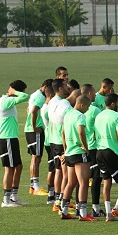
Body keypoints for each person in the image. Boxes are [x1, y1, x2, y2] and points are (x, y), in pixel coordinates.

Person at [94, 93, 118, 221]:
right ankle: (117, 207)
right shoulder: (116, 116)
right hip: (113, 152)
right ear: (113, 103)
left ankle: (108, 213)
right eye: (117, 103)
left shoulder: (98, 116)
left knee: (107, 181)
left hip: (99, 152)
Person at [0, 80, 29, 208]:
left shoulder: (6, 101)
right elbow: (26, 97)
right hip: (6, 138)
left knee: (18, 166)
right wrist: (14, 91)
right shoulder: (6, 101)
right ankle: (6, 200)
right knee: (9, 168)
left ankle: (13, 197)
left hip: (11, 137)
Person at [60, 95, 93, 220]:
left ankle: (64, 210)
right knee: (83, 182)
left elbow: (63, 132)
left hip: (69, 152)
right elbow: (80, 131)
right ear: (81, 105)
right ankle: (83, 213)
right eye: (87, 107)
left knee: (70, 182)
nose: (88, 110)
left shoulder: (68, 114)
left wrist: (65, 149)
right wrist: (85, 146)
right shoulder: (80, 116)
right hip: (79, 152)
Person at [81, 83, 106, 218]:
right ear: (89, 94)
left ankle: (80, 206)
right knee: (97, 177)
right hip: (94, 148)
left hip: (81, 148)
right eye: (94, 92)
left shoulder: (76, 110)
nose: (96, 94)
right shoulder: (95, 110)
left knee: (81, 178)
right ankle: (96, 207)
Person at [48, 79, 72, 211]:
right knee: (66, 174)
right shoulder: (64, 103)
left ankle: (57, 200)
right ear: (61, 88)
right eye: (65, 86)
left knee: (58, 171)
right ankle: (62, 201)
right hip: (62, 141)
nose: (68, 87)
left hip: (53, 140)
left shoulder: (52, 101)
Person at [24, 79, 51, 196]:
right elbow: (34, 110)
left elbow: (28, 109)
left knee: (35, 157)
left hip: (29, 130)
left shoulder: (34, 94)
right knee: (37, 158)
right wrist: (34, 126)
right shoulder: (40, 97)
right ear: (45, 87)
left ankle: (32, 185)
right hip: (35, 131)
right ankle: (36, 187)